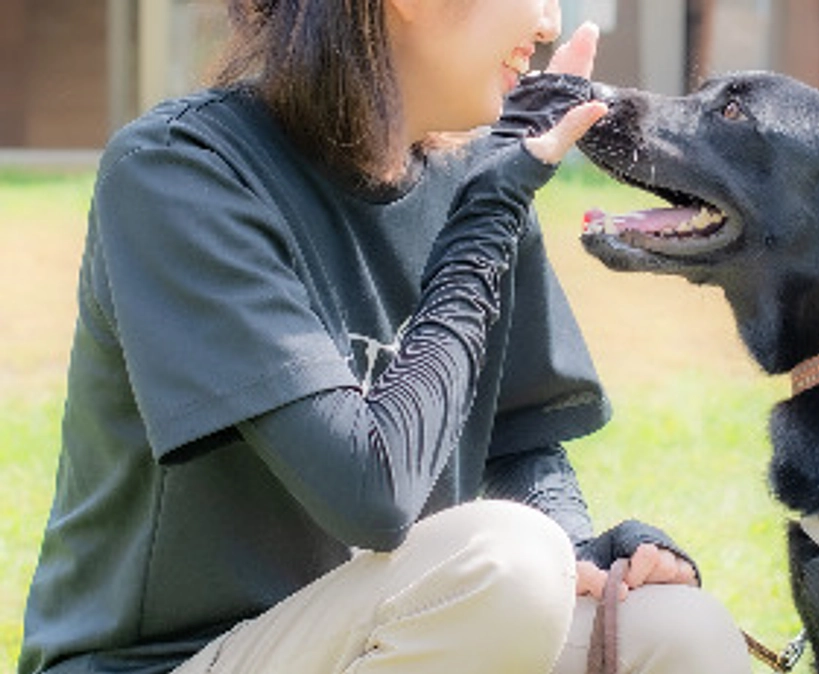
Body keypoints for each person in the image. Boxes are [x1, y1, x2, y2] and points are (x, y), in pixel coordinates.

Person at [16, 1, 755, 673]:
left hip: (397, 632)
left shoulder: (480, 174)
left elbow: (517, 439)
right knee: (507, 564)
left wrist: (576, 544)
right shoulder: (182, 175)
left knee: (680, 635)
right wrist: (487, 217)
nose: (549, 22)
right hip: (173, 662)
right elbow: (372, 493)